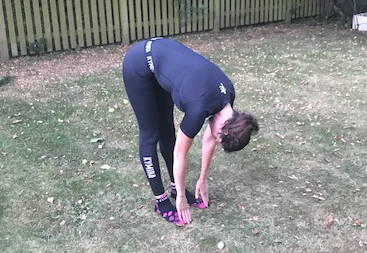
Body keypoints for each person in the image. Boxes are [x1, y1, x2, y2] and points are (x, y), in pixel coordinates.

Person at [122, 38, 259, 226]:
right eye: (220, 138)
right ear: (225, 128)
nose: (215, 140)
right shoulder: (198, 108)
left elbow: (211, 139)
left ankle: (173, 186)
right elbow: (180, 153)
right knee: (150, 134)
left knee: (168, 133)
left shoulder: (228, 97)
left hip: (163, 64)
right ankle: (161, 200)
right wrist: (181, 198)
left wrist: (202, 179)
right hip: (139, 63)